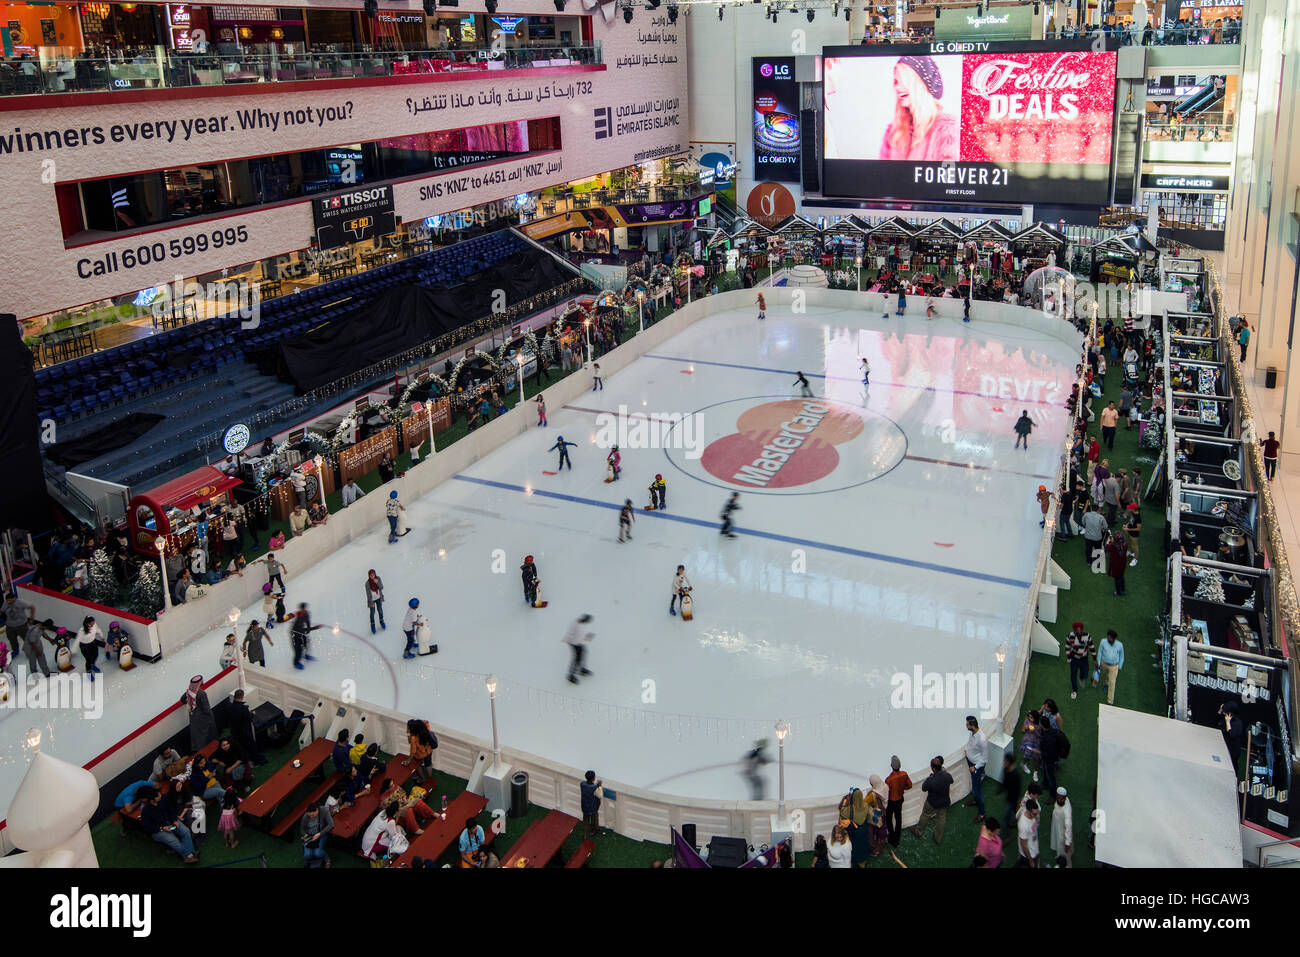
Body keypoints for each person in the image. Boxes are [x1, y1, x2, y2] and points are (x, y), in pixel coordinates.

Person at [879, 55, 958, 161]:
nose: (898, 87)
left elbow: (949, 174)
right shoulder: (893, 132)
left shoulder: (947, 129)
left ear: (921, 84)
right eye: (896, 82)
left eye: (905, 80)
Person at [139, 787, 199, 863]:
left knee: (185, 831)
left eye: (159, 794)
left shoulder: (163, 798)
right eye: (158, 796)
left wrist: (174, 820)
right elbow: (148, 827)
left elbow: (171, 810)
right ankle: (189, 854)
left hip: (170, 822)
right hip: (158, 830)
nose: (160, 796)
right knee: (174, 841)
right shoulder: (146, 811)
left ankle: (188, 855)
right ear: (152, 800)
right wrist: (162, 828)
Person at [911, 756, 952, 844]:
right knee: (941, 819)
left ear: (933, 768)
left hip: (932, 802)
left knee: (925, 815)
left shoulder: (931, 780)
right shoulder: (947, 776)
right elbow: (951, 780)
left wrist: (929, 778)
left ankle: (918, 831)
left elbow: (923, 788)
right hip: (944, 801)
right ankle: (938, 838)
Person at [181, 675, 218, 751]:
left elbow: (182, 700)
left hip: (193, 717)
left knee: (197, 735)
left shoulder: (189, 692)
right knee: (207, 734)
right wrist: (211, 717)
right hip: (203, 718)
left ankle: (199, 750)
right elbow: (206, 709)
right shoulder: (201, 693)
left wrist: (191, 703)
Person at [229, 688, 266, 764]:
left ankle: (247, 758)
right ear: (242, 697)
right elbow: (249, 718)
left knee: (242, 746)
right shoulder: (243, 708)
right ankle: (257, 760)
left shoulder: (230, 707)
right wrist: (252, 714)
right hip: (244, 731)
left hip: (235, 731)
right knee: (251, 745)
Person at [884, 755, 912, 846]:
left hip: (892, 801)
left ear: (891, 766)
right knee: (898, 818)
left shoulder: (889, 780)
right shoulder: (904, 774)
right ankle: (897, 837)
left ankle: (892, 837)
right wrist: (902, 788)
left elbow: (886, 792)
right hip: (900, 799)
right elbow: (909, 785)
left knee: (888, 819)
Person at [964, 715, 988, 819]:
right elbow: (970, 743)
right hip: (971, 762)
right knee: (975, 784)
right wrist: (966, 749)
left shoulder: (982, 739)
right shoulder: (972, 733)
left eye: (967, 724)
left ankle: (982, 813)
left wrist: (975, 767)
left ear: (972, 725)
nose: (966, 725)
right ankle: (975, 800)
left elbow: (985, 758)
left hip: (976, 766)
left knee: (976, 789)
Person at [1064, 621, 1093, 700]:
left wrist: (1095, 659)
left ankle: (1081, 678)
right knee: (1073, 675)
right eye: (1077, 630)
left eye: (1080, 629)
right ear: (1074, 630)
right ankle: (1074, 690)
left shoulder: (1087, 636)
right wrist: (1069, 658)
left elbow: (1092, 647)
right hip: (1074, 659)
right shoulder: (1070, 636)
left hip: (1084, 659)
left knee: (1085, 673)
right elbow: (1067, 647)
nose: (1079, 631)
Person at [300, 800, 334, 868]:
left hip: (321, 835)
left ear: (317, 810)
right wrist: (304, 835)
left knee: (317, 853)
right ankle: (311, 862)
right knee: (307, 855)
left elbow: (331, 824)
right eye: (310, 816)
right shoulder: (306, 817)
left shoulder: (324, 811)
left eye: (313, 815)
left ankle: (326, 859)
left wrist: (319, 834)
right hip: (310, 837)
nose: (311, 817)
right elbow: (302, 829)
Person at [564, 614, 595, 684]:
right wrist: (587, 637)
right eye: (587, 621)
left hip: (577, 642)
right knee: (577, 659)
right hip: (574, 643)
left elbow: (581, 636)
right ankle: (570, 675)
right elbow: (577, 637)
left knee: (583, 653)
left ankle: (581, 669)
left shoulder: (581, 623)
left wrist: (586, 637)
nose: (587, 623)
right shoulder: (577, 625)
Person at [1097, 629, 1124, 705]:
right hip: (1104, 663)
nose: (1108, 639)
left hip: (1114, 666)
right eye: (1108, 637)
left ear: (1114, 638)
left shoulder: (1120, 645)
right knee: (1105, 675)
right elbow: (1099, 652)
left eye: (1110, 638)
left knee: (1112, 682)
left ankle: (1110, 701)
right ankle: (1106, 684)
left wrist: (1120, 666)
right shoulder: (1103, 642)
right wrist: (1098, 663)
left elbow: (1122, 657)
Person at [290, 603, 320, 670]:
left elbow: (307, 622)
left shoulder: (306, 614)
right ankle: (296, 663)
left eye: (304, 609)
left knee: (306, 644)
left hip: (302, 632)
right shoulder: (298, 617)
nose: (303, 611)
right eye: (302, 609)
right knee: (298, 650)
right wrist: (315, 628)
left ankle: (306, 655)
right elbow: (300, 629)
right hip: (295, 634)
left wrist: (309, 628)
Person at [1219, 700, 1246, 771]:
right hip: (1225, 745)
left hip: (1233, 749)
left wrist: (1228, 722)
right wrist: (1220, 709)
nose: (1223, 713)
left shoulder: (1237, 723)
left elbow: (1232, 734)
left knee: (1232, 765)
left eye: (1225, 712)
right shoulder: (1224, 718)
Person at [1050, 787, 1073, 867]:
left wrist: (1067, 842)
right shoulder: (1059, 802)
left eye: (1062, 798)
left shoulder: (1067, 810)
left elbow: (1068, 826)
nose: (1060, 800)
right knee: (1059, 848)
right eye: (1058, 797)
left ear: (1065, 798)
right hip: (1057, 827)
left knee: (1065, 852)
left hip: (1063, 834)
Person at [77, 616, 103, 680]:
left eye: (93, 623)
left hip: (93, 643)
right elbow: (77, 641)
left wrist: (101, 636)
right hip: (84, 646)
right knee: (88, 660)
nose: (93, 625)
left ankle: (92, 665)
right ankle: (88, 672)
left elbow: (98, 629)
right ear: (87, 624)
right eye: (91, 624)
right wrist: (73, 650)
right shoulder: (82, 631)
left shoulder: (94, 625)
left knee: (95, 655)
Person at [1017, 797, 1040, 867]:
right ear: (1028, 811)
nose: (1036, 815)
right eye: (1034, 814)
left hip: (1034, 849)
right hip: (1030, 854)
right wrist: (1030, 860)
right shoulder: (1023, 824)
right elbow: (1024, 845)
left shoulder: (1033, 815)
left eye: (1037, 813)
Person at [580, 770, 602, 839]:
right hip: (593, 807)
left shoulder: (582, 784)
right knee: (594, 820)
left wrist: (597, 785)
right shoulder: (594, 787)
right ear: (594, 778)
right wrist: (599, 786)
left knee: (585, 821)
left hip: (584, 806)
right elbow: (600, 795)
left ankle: (585, 835)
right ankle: (593, 831)